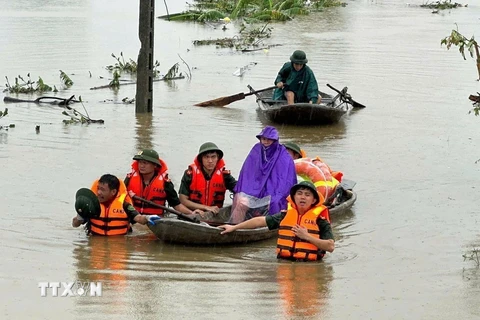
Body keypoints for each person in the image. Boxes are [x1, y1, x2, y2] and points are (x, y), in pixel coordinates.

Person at [220, 181, 334, 261]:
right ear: (294, 197)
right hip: (284, 263)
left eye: (307, 195)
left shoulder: (321, 221)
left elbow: (330, 247)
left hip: (310, 267)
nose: (303, 197)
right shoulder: (284, 215)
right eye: (299, 193)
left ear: (314, 200)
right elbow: (259, 221)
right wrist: (234, 227)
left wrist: (307, 236)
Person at [233, 126, 297, 216]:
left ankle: (270, 225)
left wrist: (273, 195)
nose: (266, 142)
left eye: (269, 139)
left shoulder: (284, 156)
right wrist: (247, 192)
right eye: (263, 139)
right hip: (254, 190)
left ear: (275, 140)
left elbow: (284, 181)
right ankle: (235, 226)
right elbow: (247, 175)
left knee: (275, 202)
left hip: (273, 192)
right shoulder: (256, 150)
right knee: (240, 200)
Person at [72, 174, 159, 236]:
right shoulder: (91, 205)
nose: (98, 192)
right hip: (95, 241)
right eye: (98, 189)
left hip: (119, 244)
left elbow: (139, 218)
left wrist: (148, 218)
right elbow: (74, 224)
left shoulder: (125, 205)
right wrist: (80, 216)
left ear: (113, 192)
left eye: (102, 190)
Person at [124, 149, 202, 216]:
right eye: (140, 162)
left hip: (155, 220)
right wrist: (127, 196)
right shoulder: (130, 178)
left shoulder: (165, 183)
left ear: (155, 165)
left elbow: (176, 205)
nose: (141, 166)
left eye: (145, 163)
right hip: (133, 217)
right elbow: (119, 197)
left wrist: (192, 213)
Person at [179, 142, 237, 214]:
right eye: (206, 157)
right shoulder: (190, 174)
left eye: (213, 157)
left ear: (218, 158)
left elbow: (239, 189)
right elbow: (182, 200)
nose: (210, 161)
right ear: (201, 159)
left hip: (214, 216)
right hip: (193, 214)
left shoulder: (224, 175)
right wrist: (205, 207)